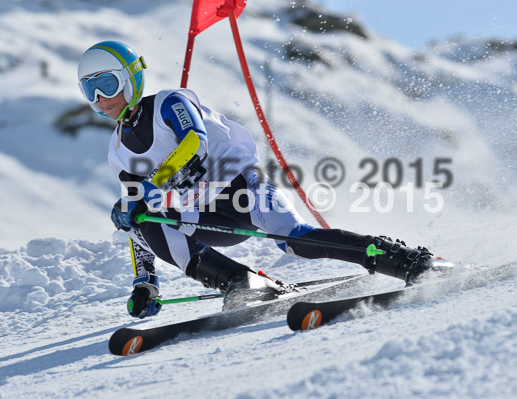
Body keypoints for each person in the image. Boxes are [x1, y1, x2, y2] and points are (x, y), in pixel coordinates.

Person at [77, 41, 434, 318]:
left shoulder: (169, 103)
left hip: (241, 189)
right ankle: (241, 282)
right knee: (140, 218)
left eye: (106, 84)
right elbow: (135, 214)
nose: (100, 99)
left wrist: (154, 186)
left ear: (130, 77)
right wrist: (145, 282)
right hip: (208, 217)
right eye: (89, 91)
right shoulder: (118, 152)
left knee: (298, 242)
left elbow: (194, 142)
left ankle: (405, 259)